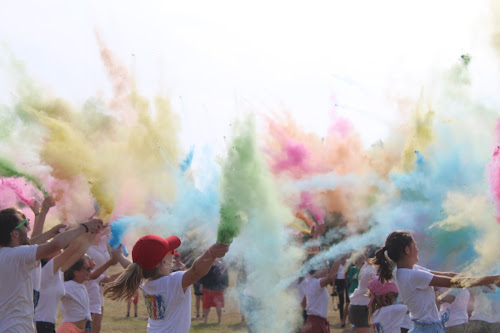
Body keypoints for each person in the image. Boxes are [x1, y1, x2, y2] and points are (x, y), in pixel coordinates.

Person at [371, 230, 500, 333]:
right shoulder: (411, 275)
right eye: (415, 245)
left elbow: (449, 275)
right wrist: (493, 279)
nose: (418, 249)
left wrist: (483, 279)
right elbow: (456, 282)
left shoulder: (410, 270)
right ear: (407, 250)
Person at [0, 207, 103, 333]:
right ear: (15, 234)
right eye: (24, 224)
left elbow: (30, 244)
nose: (27, 227)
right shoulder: (16, 256)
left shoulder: (6, 255)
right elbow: (55, 245)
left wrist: (49, 234)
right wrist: (84, 227)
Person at [103, 234, 229, 333]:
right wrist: (211, 253)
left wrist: (119, 255)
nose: (173, 256)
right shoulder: (173, 281)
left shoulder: (145, 281)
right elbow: (195, 271)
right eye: (171, 253)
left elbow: (130, 266)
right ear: (163, 262)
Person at [300, 257, 342, 333]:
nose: (328, 268)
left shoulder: (311, 281)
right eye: (325, 266)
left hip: (313, 324)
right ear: (317, 269)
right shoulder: (315, 283)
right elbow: (330, 276)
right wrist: (339, 258)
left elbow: (303, 304)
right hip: (315, 325)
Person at [58, 255, 94, 333]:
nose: (90, 271)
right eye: (87, 268)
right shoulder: (69, 285)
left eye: (90, 268)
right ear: (76, 273)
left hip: (79, 329)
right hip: (68, 329)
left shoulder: (81, 285)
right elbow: (56, 293)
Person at [348, 245, 378, 333]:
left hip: (360, 304)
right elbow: (378, 287)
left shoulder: (367, 266)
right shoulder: (373, 269)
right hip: (363, 306)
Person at [199, 259, 229, 324]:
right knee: (206, 305)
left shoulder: (222, 266)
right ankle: (205, 320)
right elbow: (202, 275)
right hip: (207, 288)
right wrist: (201, 285)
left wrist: (225, 286)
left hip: (218, 289)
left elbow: (226, 277)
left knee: (219, 305)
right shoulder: (207, 264)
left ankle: (219, 320)